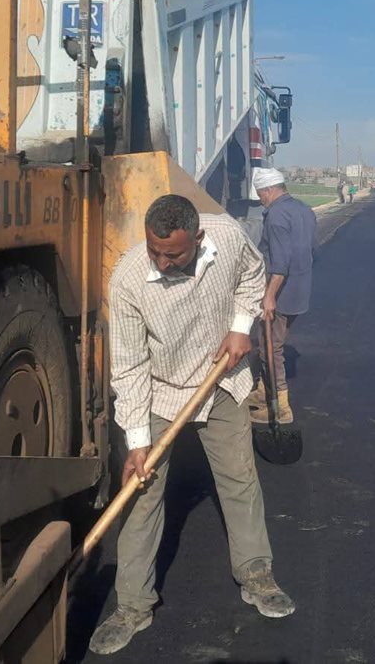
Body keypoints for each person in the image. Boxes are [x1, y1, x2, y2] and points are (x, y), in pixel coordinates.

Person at [89, 195, 295, 655]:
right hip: (161, 388)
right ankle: (133, 606)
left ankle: (256, 574)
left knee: (239, 480)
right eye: (154, 251)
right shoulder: (127, 281)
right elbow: (128, 366)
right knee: (141, 495)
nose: (162, 261)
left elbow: (252, 275)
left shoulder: (227, 235)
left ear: (197, 239)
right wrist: (138, 443)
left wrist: (241, 326)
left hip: (221, 378)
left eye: (174, 254)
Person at [248, 168, 317, 424]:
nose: (261, 200)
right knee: (272, 342)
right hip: (300, 291)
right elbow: (311, 249)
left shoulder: (276, 215)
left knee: (270, 349)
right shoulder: (304, 210)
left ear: (268, 190)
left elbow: (280, 264)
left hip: (281, 293)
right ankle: (262, 391)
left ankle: (281, 407)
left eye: (260, 195)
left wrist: (270, 296)